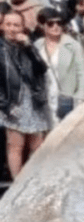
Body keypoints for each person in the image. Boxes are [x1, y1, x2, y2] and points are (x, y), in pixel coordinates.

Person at [0, 10, 50, 178]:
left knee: (37, 145)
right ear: (2, 26)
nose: (13, 28)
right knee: (15, 145)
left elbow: (41, 68)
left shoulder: (29, 45)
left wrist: (29, 47)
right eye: (9, 24)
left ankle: (37, 182)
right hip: (12, 102)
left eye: (16, 25)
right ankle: (17, 185)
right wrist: (5, 105)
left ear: (23, 27)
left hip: (33, 100)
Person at [34, 8, 84, 123]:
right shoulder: (37, 45)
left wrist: (81, 101)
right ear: (41, 25)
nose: (56, 26)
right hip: (46, 99)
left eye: (59, 23)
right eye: (50, 23)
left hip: (68, 99)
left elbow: (82, 74)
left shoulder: (73, 45)